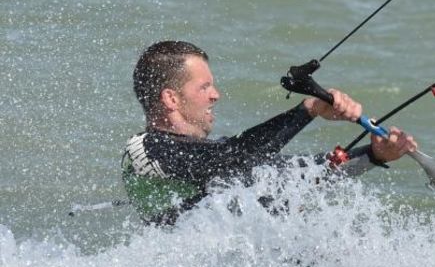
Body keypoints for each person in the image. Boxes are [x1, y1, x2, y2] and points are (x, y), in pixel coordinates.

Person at [122, 41, 416, 225]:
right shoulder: (147, 150)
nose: (216, 95)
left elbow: (299, 174)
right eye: (204, 87)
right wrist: (308, 110)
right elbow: (236, 156)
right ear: (171, 98)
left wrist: (374, 155)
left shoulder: (206, 157)